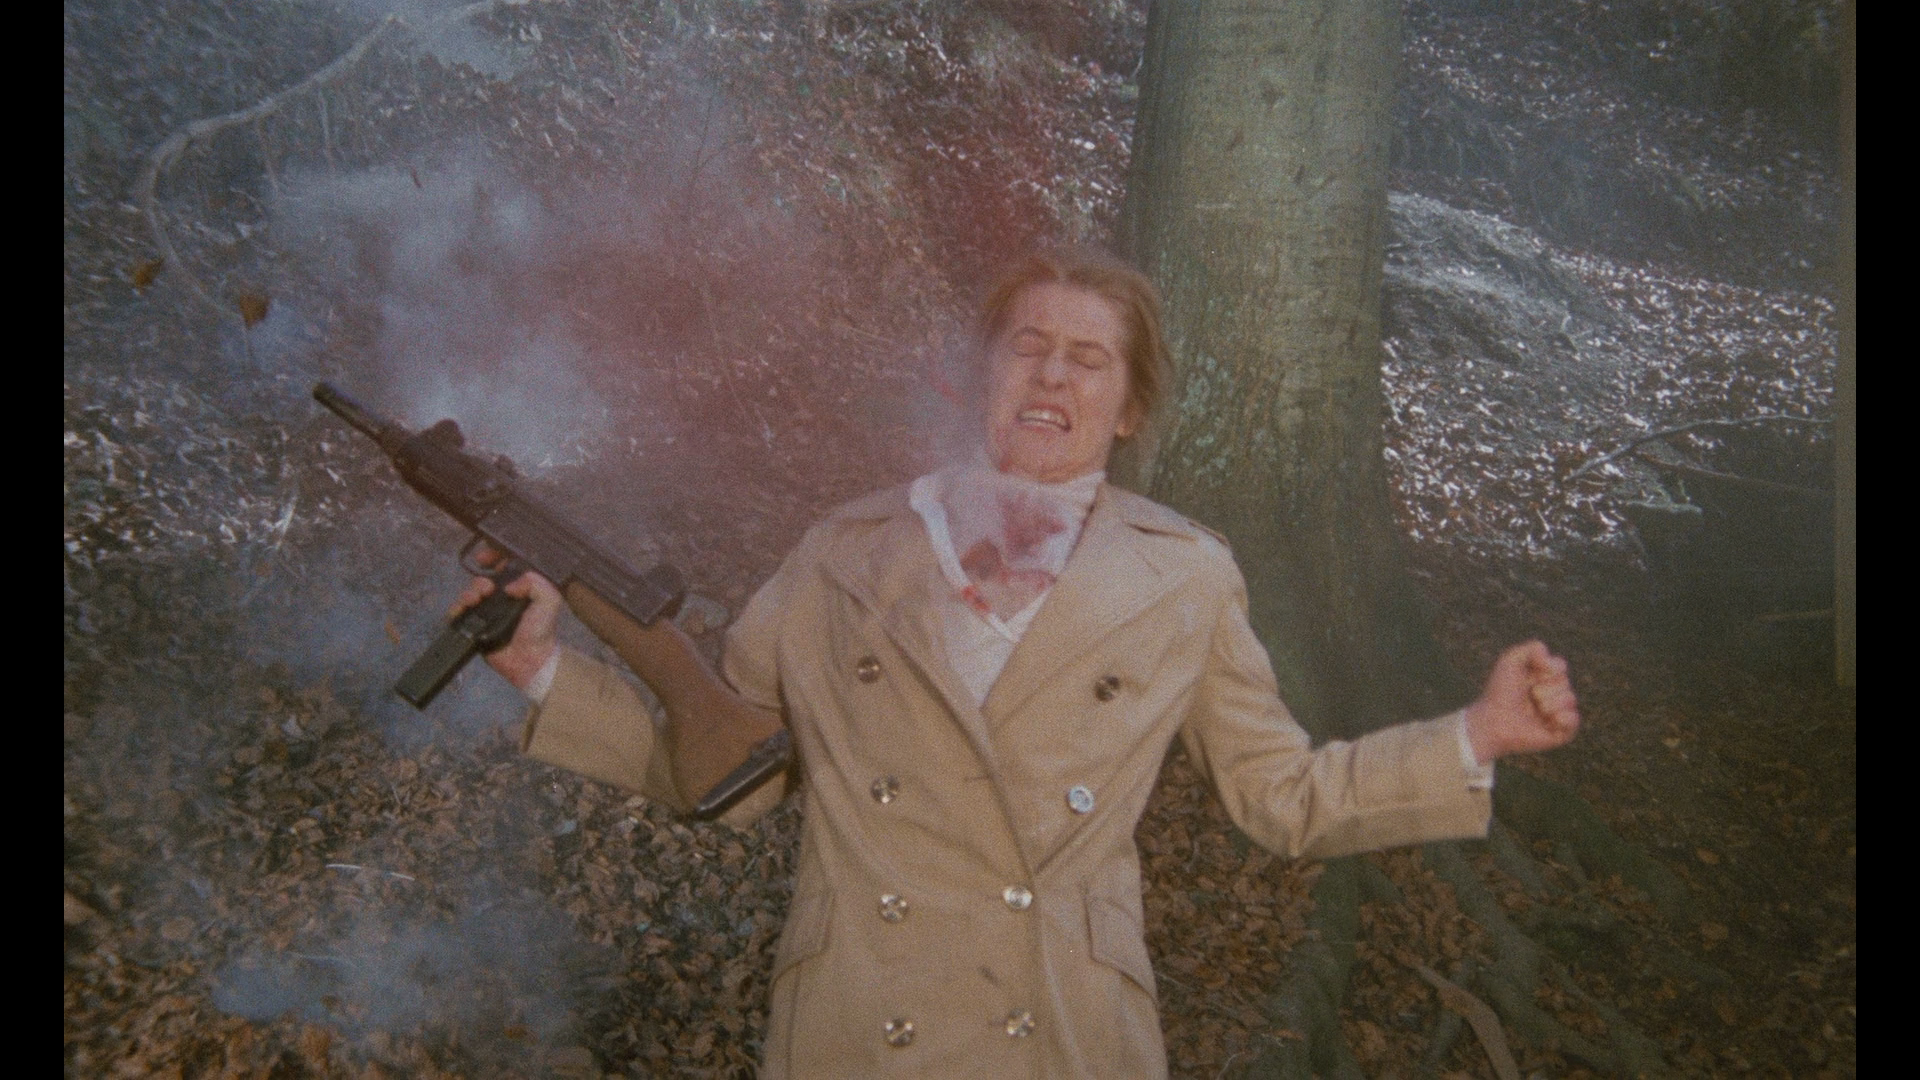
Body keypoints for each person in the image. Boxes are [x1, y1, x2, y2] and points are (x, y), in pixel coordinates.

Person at [451, 248, 1581, 1078]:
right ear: (978, 375)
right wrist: (545, 672)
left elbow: (1282, 798)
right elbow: (728, 769)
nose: (1052, 378)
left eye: (1089, 360)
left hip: (1061, 1033)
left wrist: (1475, 736)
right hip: (859, 1028)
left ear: (1128, 407)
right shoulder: (843, 553)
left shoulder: (1185, 577)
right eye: (1027, 348)